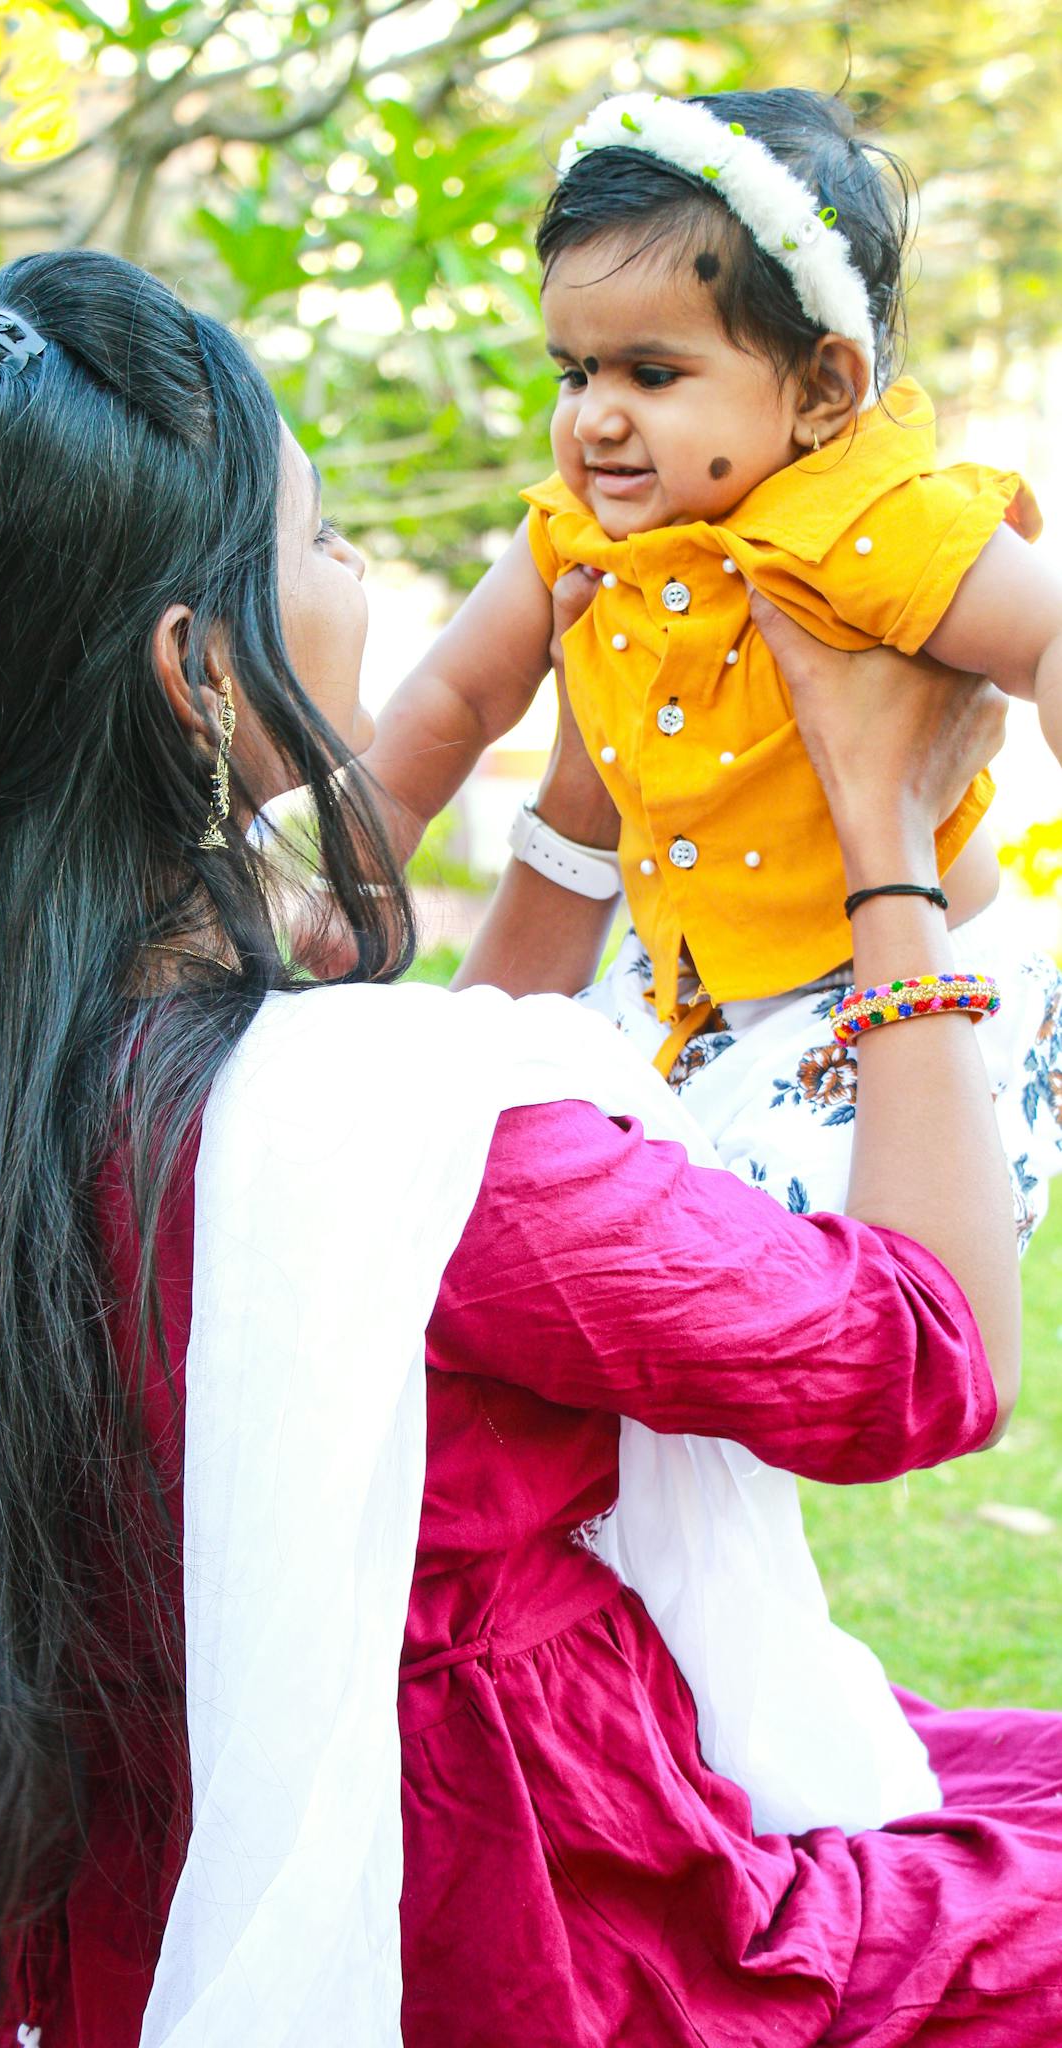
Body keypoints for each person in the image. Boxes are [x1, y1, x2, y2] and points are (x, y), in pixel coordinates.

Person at [0, 249, 1062, 2048]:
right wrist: (893, 842)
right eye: (319, 538)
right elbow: (920, 1358)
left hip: (123, 1911)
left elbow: (423, 1088)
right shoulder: (361, 1127)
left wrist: (579, 801)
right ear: (197, 670)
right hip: (541, 1924)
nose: (365, 575)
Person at [351, 86, 1062, 1243]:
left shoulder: (874, 522)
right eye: (574, 373)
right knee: (526, 1185)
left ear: (824, 389)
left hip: (903, 989)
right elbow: (459, 692)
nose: (595, 419)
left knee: (783, 1264)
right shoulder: (575, 531)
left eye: (652, 374)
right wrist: (360, 855)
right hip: (686, 978)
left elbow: (1044, 636)